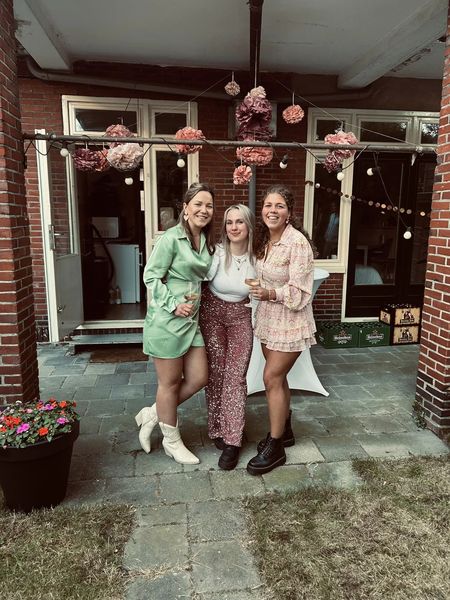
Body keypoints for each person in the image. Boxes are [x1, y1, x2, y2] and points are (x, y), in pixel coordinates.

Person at [135, 182, 215, 465]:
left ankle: (153, 414)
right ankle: (172, 442)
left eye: (209, 205)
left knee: (199, 378)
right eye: (198, 204)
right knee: (168, 384)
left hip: (192, 321)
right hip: (168, 320)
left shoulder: (205, 239)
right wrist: (173, 304)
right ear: (185, 208)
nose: (204, 210)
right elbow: (151, 275)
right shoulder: (171, 238)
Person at [246, 184, 316, 475]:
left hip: (291, 320)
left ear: (289, 213)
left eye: (279, 206)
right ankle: (284, 431)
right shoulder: (265, 239)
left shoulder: (297, 242)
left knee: (271, 377)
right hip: (268, 319)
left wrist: (270, 293)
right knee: (279, 378)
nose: (272, 211)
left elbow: (300, 291)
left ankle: (275, 448)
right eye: (268, 205)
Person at [199, 204, 256, 470]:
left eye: (239, 222)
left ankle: (233, 440)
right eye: (229, 222)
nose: (234, 227)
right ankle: (218, 429)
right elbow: (197, 277)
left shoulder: (258, 257)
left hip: (241, 315)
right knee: (216, 374)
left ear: (249, 226)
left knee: (236, 376)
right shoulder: (217, 252)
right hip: (212, 313)